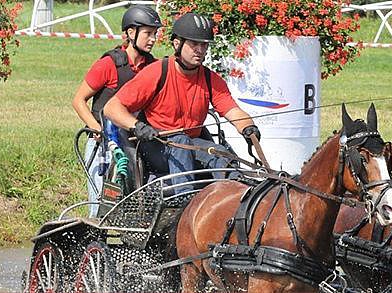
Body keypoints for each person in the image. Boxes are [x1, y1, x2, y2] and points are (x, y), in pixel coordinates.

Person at [104, 12, 261, 195]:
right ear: (177, 44)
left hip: (191, 144)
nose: (200, 50)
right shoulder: (156, 73)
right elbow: (111, 108)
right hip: (155, 146)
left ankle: (239, 196)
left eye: (204, 45)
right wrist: (137, 126)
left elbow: (233, 111)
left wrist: (248, 126)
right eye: (194, 44)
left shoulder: (211, 79)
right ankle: (184, 200)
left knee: (220, 152)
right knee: (180, 141)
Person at [72, 5, 161, 217]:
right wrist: (96, 128)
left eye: (155, 34)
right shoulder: (108, 64)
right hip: (103, 144)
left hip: (135, 142)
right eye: (148, 33)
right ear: (131, 33)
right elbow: (78, 100)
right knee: (102, 205)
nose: (153, 39)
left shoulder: (154, 67)